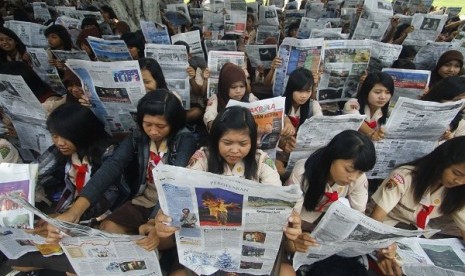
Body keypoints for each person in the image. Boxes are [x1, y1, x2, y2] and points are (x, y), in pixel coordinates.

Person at [157, 106, 301, 275]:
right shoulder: (203, 158)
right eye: (227, 143)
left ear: (253, 142)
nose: (234, 150)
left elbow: (277, 199)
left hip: (249, 245)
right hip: (208, 246)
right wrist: (165, 216)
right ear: (216, 139)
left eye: (243, 143)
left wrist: (291, 221)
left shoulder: (261, 161)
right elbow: (182, 194)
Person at [47, 90, 197, 245]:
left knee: (159, 239)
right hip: (144, 198)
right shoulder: (138, 136)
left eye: (161, 126)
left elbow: (173, 183)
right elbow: (113, 165)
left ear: (173, 123)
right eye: (148, 124)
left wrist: (154, 222)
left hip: (169, 204)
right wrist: (74, 211)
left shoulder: (184, 140)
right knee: (109, 228)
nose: (153, 131)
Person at [8, 104, 122, 274]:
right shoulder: (61, 150)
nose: (60, 142)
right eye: (54, 136)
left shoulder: (109, 153)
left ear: (82, 132)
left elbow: (107, 197)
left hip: (98, 217)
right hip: (66, 216)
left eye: (66, 137)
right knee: (18, 260)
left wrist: (64, 217)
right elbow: (33, 173)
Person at [285, 130, 378, 275]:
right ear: (332, 156)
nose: (353, 177)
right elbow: (292, 217)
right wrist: (298, 236)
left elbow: (359, 216)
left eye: (360, 172)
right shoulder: (303, 172)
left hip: (327, 225)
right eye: (348, 169)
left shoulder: (358, 179)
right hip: (303, 221)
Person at [370, 136, 465, 275]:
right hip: (387, 230)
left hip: (416, 238)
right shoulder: (404, 177)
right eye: (456, 173)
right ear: (442, 162)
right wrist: (384, 249)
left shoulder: (457, 191)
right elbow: (376, 220)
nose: (460, 181)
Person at [276, 68, 323, 176]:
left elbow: (320, 123)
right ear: (291, 89)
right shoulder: (279, 104)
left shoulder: (313, 105)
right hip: (281, 152)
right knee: (279, 170)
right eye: (300, 91)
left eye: (308, 91)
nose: (304, 96)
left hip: (302, 154)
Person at [204, 63, 257, 130]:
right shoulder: (216, 99)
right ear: (225, 86)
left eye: (242, 86)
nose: (238, 91)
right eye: (233, 87)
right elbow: (209, 117)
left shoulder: (249, 97)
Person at [343, 72, 394, 141]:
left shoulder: (386, 107)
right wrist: (373, 134)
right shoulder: (353, 103)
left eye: (387, 93)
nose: (383, 97)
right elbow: (357, 119)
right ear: (366, 91)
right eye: (378, 92)